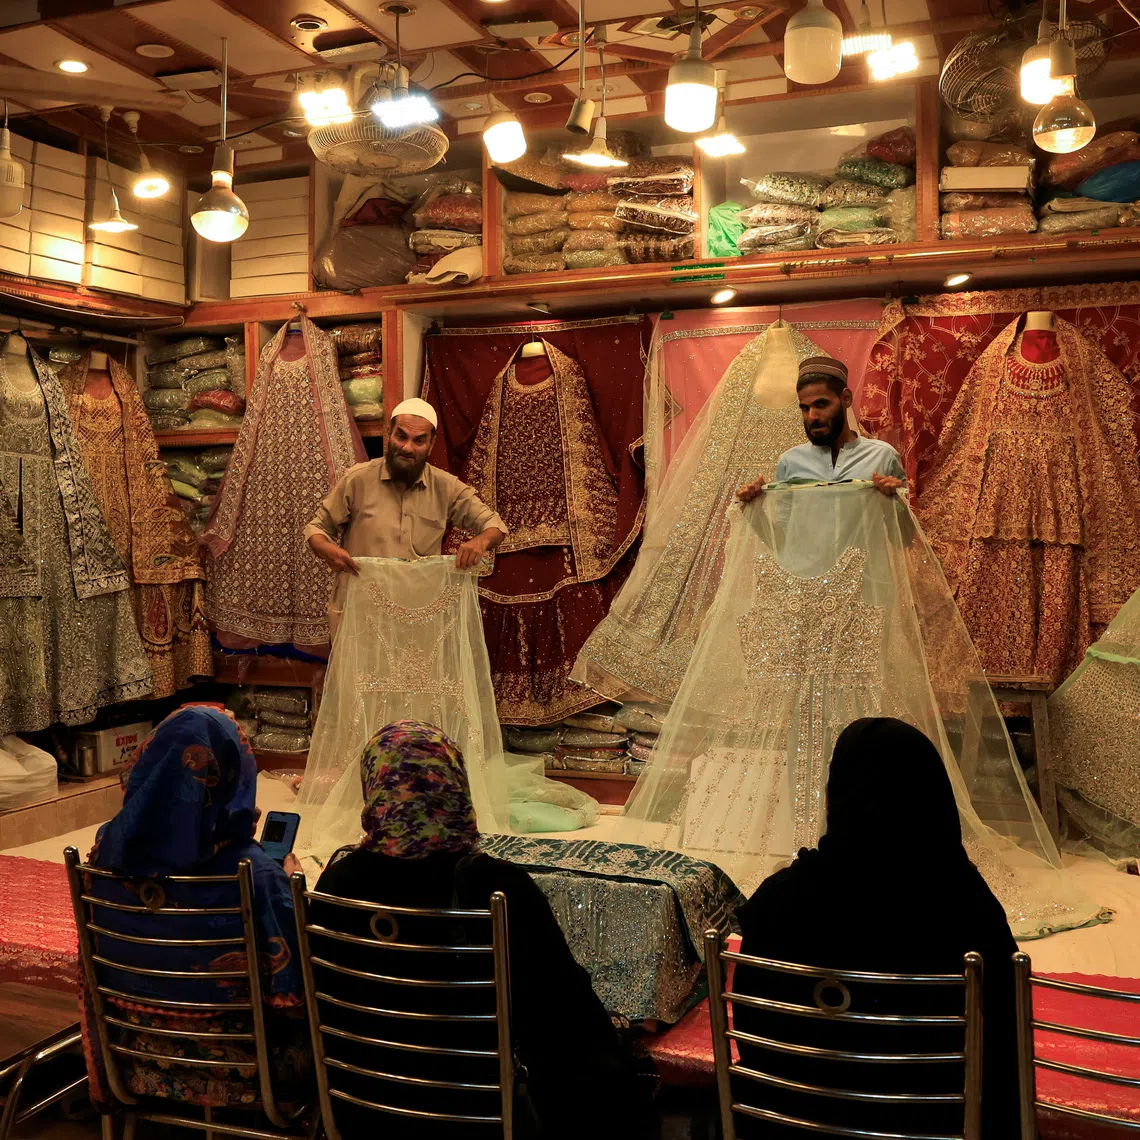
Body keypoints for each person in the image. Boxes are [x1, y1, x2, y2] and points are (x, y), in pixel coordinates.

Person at [311, 720, 647, 1140]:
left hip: (366, 1104)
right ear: (454, 787)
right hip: (478, 1109)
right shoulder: (496, 886)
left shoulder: (339, 883)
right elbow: (564, 1012)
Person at [732, 718, 1020, 1140]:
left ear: (834, 796)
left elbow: (754, 1038)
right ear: (934, 800)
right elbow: (1001, 1055)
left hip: (796, 1124)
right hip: (930, 1130)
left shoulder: (779, 901)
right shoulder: (967, 911)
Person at [80, 706, 309, 1110]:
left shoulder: (106, 852)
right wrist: (292, 884)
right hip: (253, 1074)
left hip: (135, 1060)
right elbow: (295, 989)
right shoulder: (254, 873)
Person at [303, 398, 508, 634]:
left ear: (431, 445)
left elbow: (495, 526)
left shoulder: (445, 486)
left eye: (419, 440)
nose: (407, 448)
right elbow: (316, 528)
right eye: (401, 436)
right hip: (359, 614)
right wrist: (327, 550)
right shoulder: (357, 480)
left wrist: (480, 541)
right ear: (389, 434)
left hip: (416, 617)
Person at [736, 356, 905, 502]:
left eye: (821, 404)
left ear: (846, 398)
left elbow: (905, 533)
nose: (812, 417)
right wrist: (752, 504)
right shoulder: (790, 463)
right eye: (805, 408)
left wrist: (896, 499)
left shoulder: (882, 456)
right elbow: (783, 534)